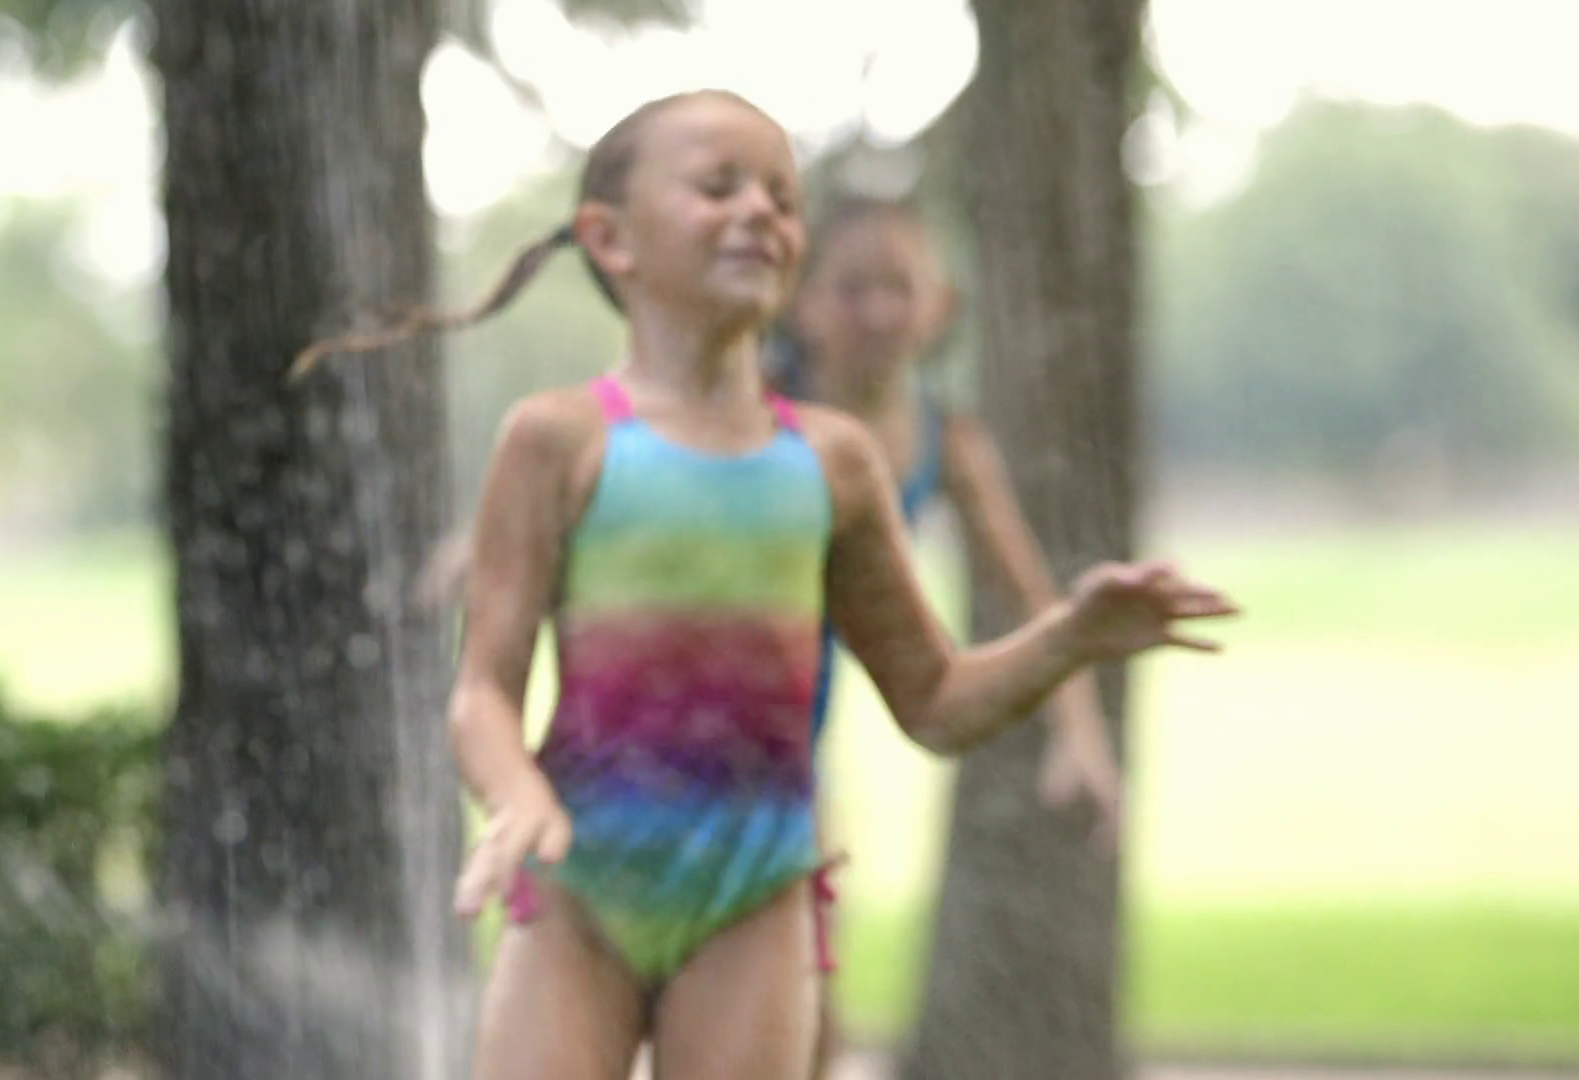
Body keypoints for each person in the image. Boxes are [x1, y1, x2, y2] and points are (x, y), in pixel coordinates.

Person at [294, 88, 1237, 1080]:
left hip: (756, 898)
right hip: (579, 886)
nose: (760, 211)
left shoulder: (834, 463)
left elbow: (936, 701)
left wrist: (1069, 637)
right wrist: (514, 789)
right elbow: (483, 691)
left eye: (783, 199)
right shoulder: (557, 439)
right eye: (718, 186)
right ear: (609, 238)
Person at [769, 196, 1125, 1078]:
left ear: (941, 306)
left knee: (811, 978)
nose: (878, 312)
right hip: (724, 698)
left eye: (899, 288)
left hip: (807, 712)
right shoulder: (752, 409)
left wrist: (1080, 735)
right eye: (852, 289)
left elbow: (1032, 599)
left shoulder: (946, 438)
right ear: (801, 304)